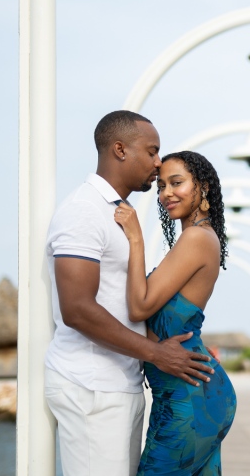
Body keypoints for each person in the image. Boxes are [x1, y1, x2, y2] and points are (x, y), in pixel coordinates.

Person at [44, 111, 216, 476]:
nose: (157, 163)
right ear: (120, 150)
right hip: (91, 387)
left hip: (120, 384)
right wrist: (156, 353)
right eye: (152, 151)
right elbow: (76, 309)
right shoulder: (83, 212)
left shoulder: (115, 214)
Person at [114, 150, 236, 476]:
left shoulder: (196, 237)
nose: (166, 193)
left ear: (204, 186)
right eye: (161, 186)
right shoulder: (198, 237)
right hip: (186, 392)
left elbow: (139, 307)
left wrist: (136, 239)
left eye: (177, 183)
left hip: (188, 399)